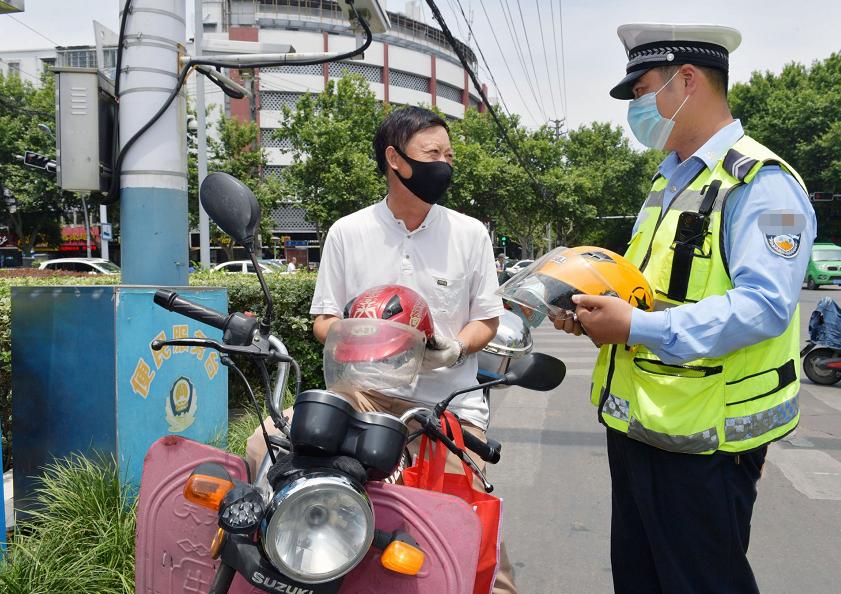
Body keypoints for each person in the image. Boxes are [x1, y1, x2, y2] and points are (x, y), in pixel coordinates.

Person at [554, 23, 816, 594]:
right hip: (640, 429)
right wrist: (595, 311)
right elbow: (646, 288)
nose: (636, 107)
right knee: (641, 579)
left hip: (707, 444)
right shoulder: (669, 180)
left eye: (642, 91)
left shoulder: (766, 186)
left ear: (688, 81)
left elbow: (764, 307)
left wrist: (637, 325)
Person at [246, 106, 518, 593]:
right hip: (363, 397)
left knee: (472, 529)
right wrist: (371, 341)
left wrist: (453, 349)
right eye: (432, 153)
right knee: (259, 448)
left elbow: (488, 320)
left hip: (447, 403)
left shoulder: (470, 233)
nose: (445, 164)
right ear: (395, 159)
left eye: (449, 154)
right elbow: (323, 321)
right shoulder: (348, 232)